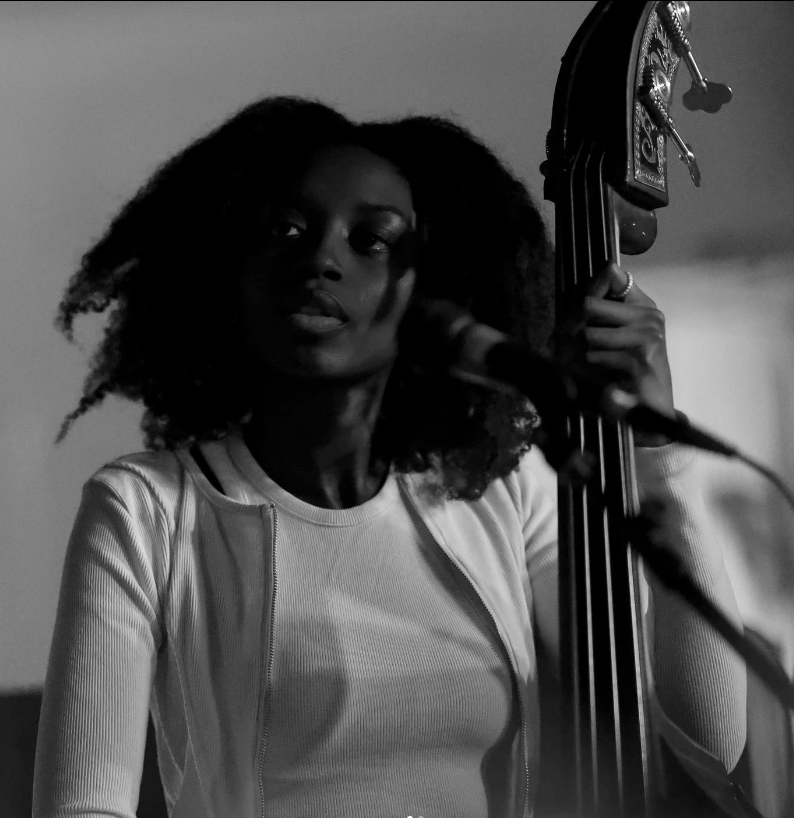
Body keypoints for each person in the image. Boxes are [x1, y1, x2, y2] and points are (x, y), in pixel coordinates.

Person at [33, 96, 746, 818]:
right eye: (286, 229)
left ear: (432, 290)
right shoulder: (146, 509)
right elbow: (82, 806)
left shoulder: (504, 496)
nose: (321, 258)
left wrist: (658, 451)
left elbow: (708, 745)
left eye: (372, 240)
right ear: (232, 267)